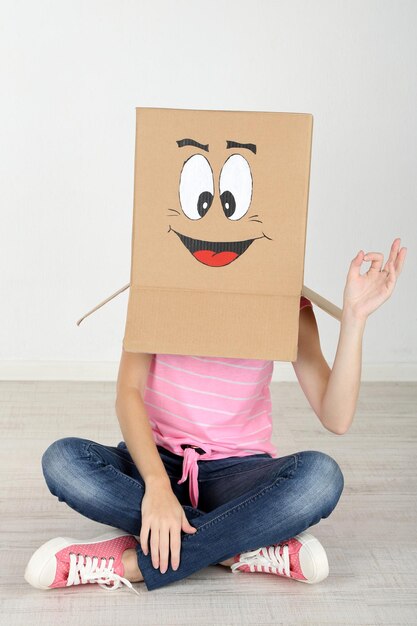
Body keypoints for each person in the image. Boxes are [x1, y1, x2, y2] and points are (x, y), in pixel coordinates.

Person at [24, 239, 407, 595]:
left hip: (239, 474)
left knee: (321, 477)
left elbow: (335, 416)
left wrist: (355, 319)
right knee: (64, 461)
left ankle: (134, 563)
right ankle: (234, 543)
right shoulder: (158, 291)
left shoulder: (287, 305)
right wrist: (157, 487)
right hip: (159, 464)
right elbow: (128, 394)